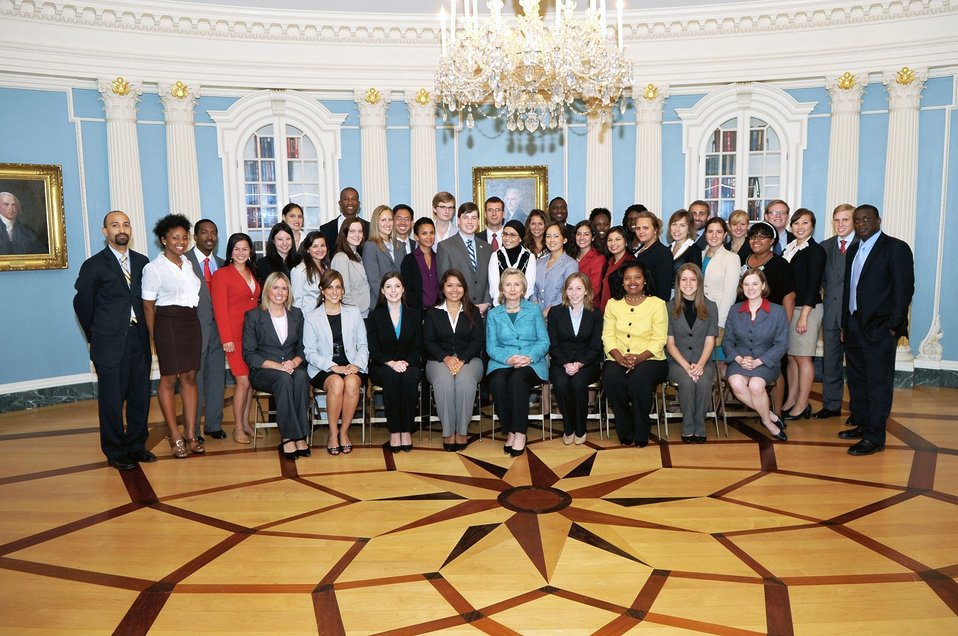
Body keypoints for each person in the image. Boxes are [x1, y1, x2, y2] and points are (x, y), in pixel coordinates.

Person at [73, 211, 152, 470]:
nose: (122, 229)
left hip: (139, 340)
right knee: (111, 400)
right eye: (115, 224)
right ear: (104, 231)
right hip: (109, 342)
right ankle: (115, 451)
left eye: (126, 224)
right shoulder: (93, 265)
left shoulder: (142, 262)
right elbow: (82, 304)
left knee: (140, 396)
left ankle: (137, 446)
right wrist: (94, 336)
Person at [839, 204, 914, 456]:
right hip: (853, 325)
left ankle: (875, 436)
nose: (860, 224)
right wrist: (844, 323)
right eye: (857, 220)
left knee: (878, 383)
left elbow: (904, 290)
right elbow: (848, 290)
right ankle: (862, 424)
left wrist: (893, 326)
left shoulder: (895, 248)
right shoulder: (852, 250)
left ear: (878, 220)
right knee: (858, 379)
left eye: (866, 219)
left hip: (880, 328)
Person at [141, 214, 204, 458]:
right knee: (168, 379)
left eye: (184, 237)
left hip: (191, 322)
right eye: (175, 237)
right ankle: (174, 434)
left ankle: (190, 433)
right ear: (163, 239)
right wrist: (154, 337)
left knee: (189, 376)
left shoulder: (187, 264)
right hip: (166, 323)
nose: (181, 241)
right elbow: (148, 306)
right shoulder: (153, 268)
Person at [244, 272, 311, 460]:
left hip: (292, 366)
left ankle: (300, 436)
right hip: (264, 371)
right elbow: (249, 354)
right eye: (276, 287)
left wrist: (294, 362)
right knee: (284, 378)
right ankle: (289, 437)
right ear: (268, 290)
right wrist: (278, 366)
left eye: (284, 288)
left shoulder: (296, 314)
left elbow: (303, 348)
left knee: (301, 376)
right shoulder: (254, 316)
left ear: (288, 292)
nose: (280, 292)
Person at [601, 262, 669, 447]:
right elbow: (607, 336)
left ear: (645, 280)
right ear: (622, 282)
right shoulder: (612, 304)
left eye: (637, 277)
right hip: (618, 356)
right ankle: (625, 427)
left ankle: (641, 430)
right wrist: (619, 357)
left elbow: (659, 339)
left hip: (651, 359)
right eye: (627, 278)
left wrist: (638, 358)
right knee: (611, 378)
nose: (633, 281)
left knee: (638, 379)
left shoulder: (657, 304)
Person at [304, 269, 369, 456]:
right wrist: (333, 367)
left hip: (352, 365)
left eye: (338, 287)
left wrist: (356, 365)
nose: (334, 292)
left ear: (343, 290)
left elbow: (363, 345)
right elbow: (310, 352)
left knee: (350, 382)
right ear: (322, 290)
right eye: (330, 287)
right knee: (336, 382)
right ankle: (333, 433)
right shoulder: (311, 316)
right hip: (323, 368)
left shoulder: (353, 312)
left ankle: (344, 432)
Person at [486, 268, 550, 457]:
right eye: (508, 284)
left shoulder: (534, 309)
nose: (512, 289)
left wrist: (528, 357)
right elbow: (491, 346)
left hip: (532, 361)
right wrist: (509, 358)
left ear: (523, 288)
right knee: (497, 382)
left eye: (516, 284)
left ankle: (520, 432)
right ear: (501, 289)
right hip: (503, 361)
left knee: (517, 380)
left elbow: (544, 341)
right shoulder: (494, 314)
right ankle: (510, 431)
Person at [724, 268, 789, 441]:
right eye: (746, 284)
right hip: (740, 360)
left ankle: (767, 421)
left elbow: (782, 344)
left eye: (754, 284)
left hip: (766, 362)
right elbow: (727, 341)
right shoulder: (734, 310)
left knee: (755, 386)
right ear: (742, 287)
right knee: (736, 383)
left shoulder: (778, 311)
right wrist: (739, 359)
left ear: (763, 286)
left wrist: (759, 361)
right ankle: (769, 418)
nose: (750, 288)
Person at [424, 269, 485, 451]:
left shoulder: (472, 311)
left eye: (459, 285)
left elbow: (478, 340)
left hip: (470, 359)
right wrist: (446, 358)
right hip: (438, 360)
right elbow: (428, 341)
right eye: (449, 285)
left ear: (464, 289)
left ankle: (462, 431)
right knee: (443, 381)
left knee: (465, 380)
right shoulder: (433, 313)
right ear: (443, 288)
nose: (454, 289)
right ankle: (448, 432)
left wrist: (462, 359)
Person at [211, 233, 261, 444]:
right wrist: (226, 339)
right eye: (236, 249)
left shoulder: (252, 272)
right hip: (234, 337)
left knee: (250, 382)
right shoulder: (222, 275)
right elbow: (219, 309)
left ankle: (247, 423)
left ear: (251, 252)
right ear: (230, 252)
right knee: (242, 381)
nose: (241, 253)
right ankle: (238, 428)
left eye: (245, 248)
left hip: (253, 337)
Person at [742, 221, 795, 416]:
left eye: (762, 236)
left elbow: (789, 297)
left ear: (772, 241)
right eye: (753, 236)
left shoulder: (780, 264)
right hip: (745, 322)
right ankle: (755, 406)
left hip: (771, 323)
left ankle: (777, 412)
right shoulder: (743, 260)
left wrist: (784, 327)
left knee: (774, 366)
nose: (757, 240)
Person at [366, 273, 422, 453]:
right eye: (388, 286)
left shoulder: (414, 314)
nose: (393, 290)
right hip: (382, 365)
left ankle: (406, 430)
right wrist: (391, 363)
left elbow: (418, 346)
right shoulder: (375, 316)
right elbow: (373, 349)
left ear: (403, 289)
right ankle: (394, 431)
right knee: (391, 378)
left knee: (409, 377)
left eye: (397, 286)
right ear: (382, 290)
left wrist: (405, 362)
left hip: (408, 363)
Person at [666, 264, 719, 443]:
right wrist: (687, 367)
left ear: (699, 282)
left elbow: (710, 341)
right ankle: (688, 426)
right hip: (677, 363)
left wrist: (700, 365)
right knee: (687, 381)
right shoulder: (669, 307)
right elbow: (670, 343)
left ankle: (700, 425)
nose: (688, 283)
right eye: (684, 279)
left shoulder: (711, 307)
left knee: (704, 381)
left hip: (703, 361)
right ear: (678, 283)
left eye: (693, 279)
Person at [782, 208, 826, 421]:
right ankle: (791, 400)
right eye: (796, 223)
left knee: (803, 358)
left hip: (807, 309)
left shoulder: (815, 251)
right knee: (791, 357)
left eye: (805, 223)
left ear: (812, 226)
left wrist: (804, 316)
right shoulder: (789, 248)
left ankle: (802, 405)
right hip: (791, 308)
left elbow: (813, 285)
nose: (800, 227)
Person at [548, 273, 603, 445]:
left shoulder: (595, 313)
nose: (574, 293)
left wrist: (579, 364)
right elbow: (553, 344)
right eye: (570, 288)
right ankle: (568, 427)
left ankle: (581, 427)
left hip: (587, 363)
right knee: (562, 383)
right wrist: (565, 363)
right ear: (565, 291)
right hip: (561, 361)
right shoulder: (556, 312)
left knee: (578, 383)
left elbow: (596, 346)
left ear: (587, 291)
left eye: (579, 288)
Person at [185, 218, 226, 440]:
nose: (209, 237)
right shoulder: (183, 261)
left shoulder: (223, 263)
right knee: (194, 381)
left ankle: (213, 424)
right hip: (193, 332)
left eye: (213, 232)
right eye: (204, 232)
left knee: (216, 379)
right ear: (195, 236)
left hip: (219, 333)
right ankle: (193, 429)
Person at [816, 203, 856, 420]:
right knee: (830, 362)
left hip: (854, 317)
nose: (840, 224)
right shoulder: (825, 246)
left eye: (845, 220)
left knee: (856, 365)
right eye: (837, 220)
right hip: (830, 314)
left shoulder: (863, 244)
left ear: (853, 221)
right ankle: (831, 405)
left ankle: (858, 411)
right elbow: (821, 280)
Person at [436, 201, 493, 314]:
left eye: (474, 218)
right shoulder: (445, 247)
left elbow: (489, 280)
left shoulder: (487, 248)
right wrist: (461, 305)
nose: (470, 222)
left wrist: (486, 303)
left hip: (483, 311)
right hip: (457, 310)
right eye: (465, 217)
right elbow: (444, 282)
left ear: (478, 221)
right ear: (458, 221)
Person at [701, 217, 740, 337]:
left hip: (717, 314)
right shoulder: (699, 255)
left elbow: (730, 294)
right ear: (705, 234)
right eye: (710, 231)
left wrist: (720, 323)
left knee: (716, 354)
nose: (714, 235)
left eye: (718, 232)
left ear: (725, 235)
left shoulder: (731, 258)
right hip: (698, 313)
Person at [362, 204, 404, 308]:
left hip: (399, 303)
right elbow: (374, 279)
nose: (388, 223)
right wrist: (388, 301)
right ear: (376, 223)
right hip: (380, 304)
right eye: (383, 220)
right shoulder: (370, 246)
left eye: (390, 220)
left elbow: (404, 275)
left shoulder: (400, 245)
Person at [330, 217, 371, 317]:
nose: (357, 235)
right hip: (352, 314)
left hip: (363, 311)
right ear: (344, 234)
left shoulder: (356, 255)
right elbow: (343, 293)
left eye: (360, 231)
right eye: (352, 231)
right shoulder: (341, 258)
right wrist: (353, 314)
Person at [488, 219, 536, 306]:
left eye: (512, 235)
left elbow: (529, 287)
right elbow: (494, 288)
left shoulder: (529, 257)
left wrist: (517, 306)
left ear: (520, 238)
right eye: (505, 234)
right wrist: (501, 306)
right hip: (499, 306)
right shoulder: (495, 256)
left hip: (522, 307)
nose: (507, 238)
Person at [534, 222, 578, 315]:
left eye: (556, 236)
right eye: (548, 236)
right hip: (537, 315)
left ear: (564, 240)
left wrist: (547, 312)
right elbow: (534, 289)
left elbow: (567, 293)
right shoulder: (539, 263)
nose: (551, 240)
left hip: (559, 315)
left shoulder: (570, 264)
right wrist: (537, 310)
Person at [632, 210, 673, 301]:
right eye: (638, 228)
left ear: (655, 230)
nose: (641, 231)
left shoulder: (662, 253)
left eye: (645, 228)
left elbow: (664, 290)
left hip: (652, 307)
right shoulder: (639, 249)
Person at [400, 217, 439, 312]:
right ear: (416, 237)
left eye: (432, 233)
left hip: (438, 313)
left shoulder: (439, 258)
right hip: (416, 313)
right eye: (424, 233)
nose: (429, 237)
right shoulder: (409, 260)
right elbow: (407, 291)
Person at [321, 187, 368, 255]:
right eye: (346, 199)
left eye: (354, 199)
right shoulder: (326, 229)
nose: (350, 202)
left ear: (358, 203)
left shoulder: (368, 227)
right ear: (340, 203)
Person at [290, 231, 328, 314]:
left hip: (324, 317)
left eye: (323, 245)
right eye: (315, 246)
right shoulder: (300, 270)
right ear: (307, 249)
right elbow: (296, 301)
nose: (320, 249)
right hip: (307, 319)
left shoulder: (326, 268)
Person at [597, 226, 634, 312]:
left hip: (621, 312)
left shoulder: (630, 263)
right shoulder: (609, 262)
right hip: (606, 310)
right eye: (609, 240)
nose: (613, 243)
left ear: (626, 242)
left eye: (618, 239)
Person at [256, 221, 300, 288]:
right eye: (280, 239)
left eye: (288, 239)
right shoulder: (262, 263)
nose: (285, 243)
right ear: (273, 240)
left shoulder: (300, 261)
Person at [667, 209, 703, 278]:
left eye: (682, 225)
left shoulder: (694, 250)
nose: (677, 229)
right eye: (674, 224)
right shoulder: (668, 249)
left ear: (689, 229)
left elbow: (696, 278)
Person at [573, 220, 605, 297]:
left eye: (586, 234)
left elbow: (595, 289)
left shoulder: (598, 258)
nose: (581, 238)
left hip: (588, 304)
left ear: (593, 237)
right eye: (578, 234)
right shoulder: (571, 255)